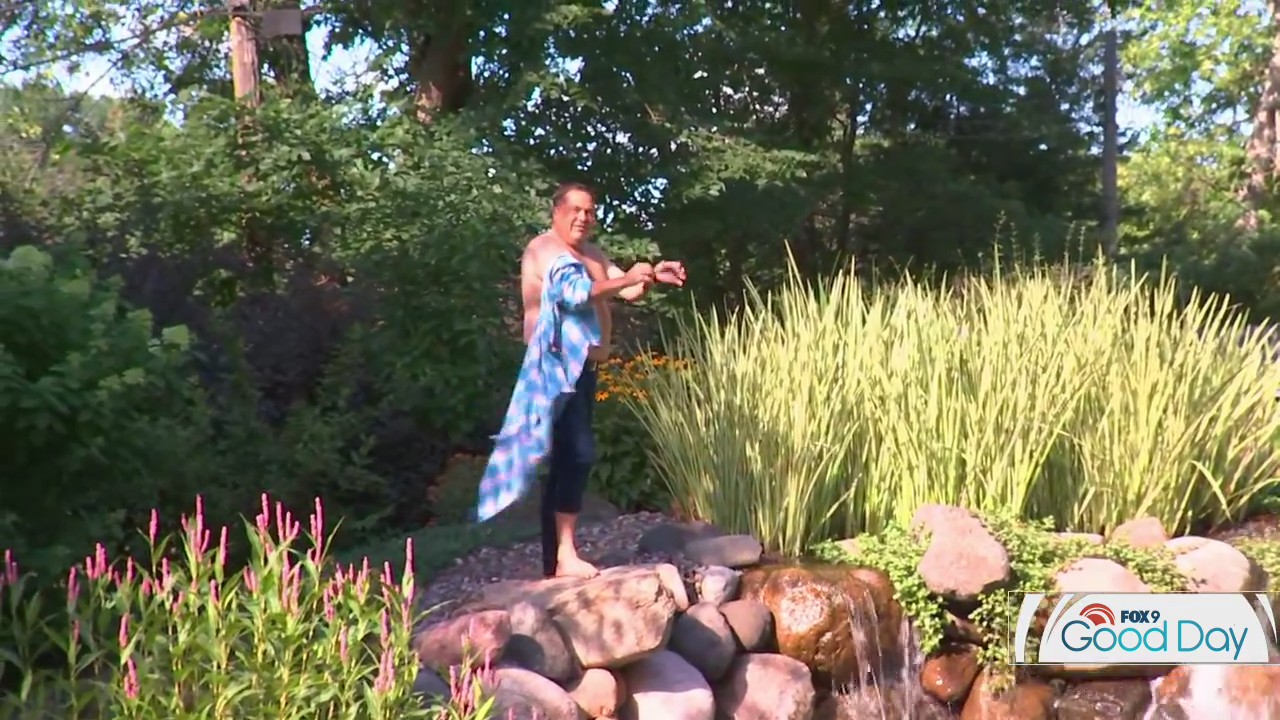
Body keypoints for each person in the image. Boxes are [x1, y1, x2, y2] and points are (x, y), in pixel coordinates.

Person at [473, 181, 687, 579]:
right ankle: (564, 555)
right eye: (575, 209)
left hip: (583, 369)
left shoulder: (592, 254)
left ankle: (556, 560)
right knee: (577, 454)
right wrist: (625, 281)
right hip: (553, 369)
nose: (583, 217)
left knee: (568, 460)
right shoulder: (545, 250)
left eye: (589, 211)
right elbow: (575, 294)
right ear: (556, 212)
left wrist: (653, 275)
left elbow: (628, 290)